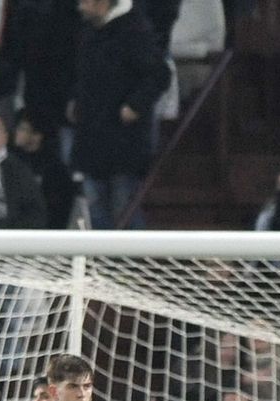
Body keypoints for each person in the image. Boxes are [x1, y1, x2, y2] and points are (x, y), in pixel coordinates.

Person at [70, 0, 170, 230]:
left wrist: (135, 105)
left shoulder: (134, 30)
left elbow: (159, 74)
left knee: (124, 212)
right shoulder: (89, 31)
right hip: (92, 138)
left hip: (123, 142)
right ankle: (99, 264)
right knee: (95, 212)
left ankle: (127, 265)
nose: (80, 6)